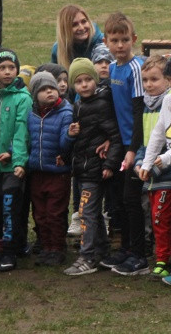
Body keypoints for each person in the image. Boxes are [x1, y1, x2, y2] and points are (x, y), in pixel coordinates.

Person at [62, 59, 124, 276]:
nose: (84, 84)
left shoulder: (101, 104)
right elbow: (83, 139)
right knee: (93, 213)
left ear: (95, 80)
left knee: (86, 212)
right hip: (83, 168)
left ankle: (87, 257)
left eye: (88, 79)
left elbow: (115, 136)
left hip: (96, 169)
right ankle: (101, 250)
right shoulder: (79, 105)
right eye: (79, 81)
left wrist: (109, 164)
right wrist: (71, 135)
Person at [99, 13, 148, 276]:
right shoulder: (113, 68)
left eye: (125, 40)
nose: (120, 45)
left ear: (134, 40)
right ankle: (126, 248)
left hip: (136, 144)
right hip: (120, 143)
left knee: (132, 200)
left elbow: (139, 112)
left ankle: (139, 254)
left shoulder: (135, 68)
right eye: (115, 40)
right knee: (120, 200)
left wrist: (132, 149)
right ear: (106, 42)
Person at [133, 55, 171, 278]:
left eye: (154, 79)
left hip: (166, 175)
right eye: (145, 80)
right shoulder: (146, 106)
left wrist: (156, 167)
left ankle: (162, 259)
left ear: (168, 80)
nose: (149, 85)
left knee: (161, 218)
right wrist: (140, 162)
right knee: (159, 219)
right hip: (149, 175)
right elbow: (145, 142)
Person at [0, 48, 32, 272]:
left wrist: (17, 158)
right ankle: (7, 243)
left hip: (13, 166)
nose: (7, 72)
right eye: (2, 68)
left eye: (11, 67)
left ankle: (9, 251)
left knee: (9, 206)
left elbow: (22, 131)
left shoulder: (23, 98)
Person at [27, 71, 74, 267]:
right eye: (44, 89)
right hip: (37, 172)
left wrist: (70, 135)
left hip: (57, 172)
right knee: (40, 213)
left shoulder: (65, 112)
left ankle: (57, 248)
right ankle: (46, 247)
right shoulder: (31, 114)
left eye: (52, 88)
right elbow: (26, 139)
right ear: (35, 94)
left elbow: (64, 145)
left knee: (55, 212)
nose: (49, 92)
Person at [51, 4, 105, 70]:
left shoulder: (104, 42)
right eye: (74, 25)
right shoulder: (58, 50)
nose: (81, 28)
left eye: (84, 21)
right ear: (64, 29)